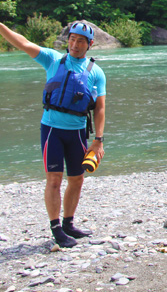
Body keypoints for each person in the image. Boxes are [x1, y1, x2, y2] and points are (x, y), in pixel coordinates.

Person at [0, 21, 106, 248]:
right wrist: (2, 27)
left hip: (77, 132)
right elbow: (23, 42)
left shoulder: (96, 72)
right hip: (52, 130)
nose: (75, 45)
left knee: (77, 180)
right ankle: (56, 228)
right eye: (72, 40)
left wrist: (98, 140)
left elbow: (100, 108)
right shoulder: (52, 59)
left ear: (90, 44)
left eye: (80, 41)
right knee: (54, 180)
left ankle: (69, 224)